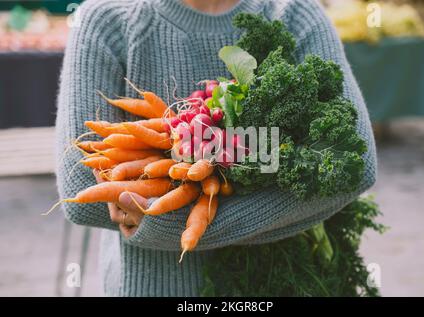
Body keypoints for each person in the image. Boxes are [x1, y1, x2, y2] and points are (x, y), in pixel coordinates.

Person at [56, 0, 376, 296]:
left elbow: (353, 164)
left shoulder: (295, 14)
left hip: (282, 284)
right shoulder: (105, 21)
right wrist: (264, 178)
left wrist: (172, 223)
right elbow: (81, 192)